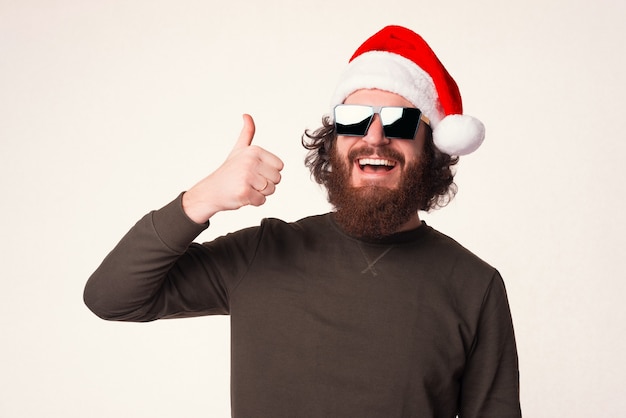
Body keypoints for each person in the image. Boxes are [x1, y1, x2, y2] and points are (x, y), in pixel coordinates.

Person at [84, 25, 521, 417]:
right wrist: (202, 199)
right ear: (332, 144)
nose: (374, 137)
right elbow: (112, 297)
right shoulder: (263, 253)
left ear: (431, 148)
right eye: (354, 120)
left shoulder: (474, 286)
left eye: (400, 122)